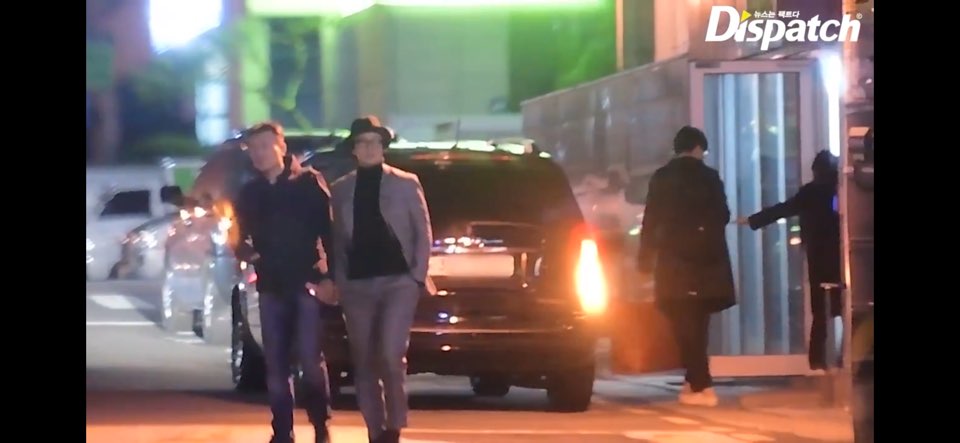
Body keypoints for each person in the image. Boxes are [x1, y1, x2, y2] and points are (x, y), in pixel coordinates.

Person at [330, 116, 434, 443]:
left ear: (384, 147)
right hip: (357, 285)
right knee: (364, 360)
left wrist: (417, 276)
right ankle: (374, 430)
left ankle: (394, 425)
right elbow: (336, 240)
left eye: (375, 142)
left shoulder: (405, 183)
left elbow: (423, 232)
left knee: (390, 355)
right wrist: (339, 280)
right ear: (354, 149)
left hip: (398, 282)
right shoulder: (340, 189)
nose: (369, 148)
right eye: (362, 142)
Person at [234, 122, 337, 443]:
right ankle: (282, 430)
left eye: (265, 146)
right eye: (253, 149)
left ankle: (320, 425)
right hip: (271, 286)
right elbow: (238, 236)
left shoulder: (308, 183)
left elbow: (330, 232)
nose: (259, 154)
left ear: (281, 147)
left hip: (307, 282)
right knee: (276, 363)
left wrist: (332, 277)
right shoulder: (250, 192)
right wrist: (247, 252)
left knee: (309, 358)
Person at [637, 126, 736, 407]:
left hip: (674, 262)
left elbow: (651, 220)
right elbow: (723, 214)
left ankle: (701, 384)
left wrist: (645, 258)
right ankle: (696, 382)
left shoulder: (662, 178)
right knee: (699, 324)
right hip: (707, 263)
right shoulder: (710, 177)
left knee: (681, 323)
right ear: (697, 148)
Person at [737, 150, 841, 372]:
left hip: (817, 255)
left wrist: (753, 220)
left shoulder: (810, 192)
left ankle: (817, 361)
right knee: (843, 306)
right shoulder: (840, 190)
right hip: (841, 254)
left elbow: (783, 209)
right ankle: (844, 357)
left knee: (819, 310)